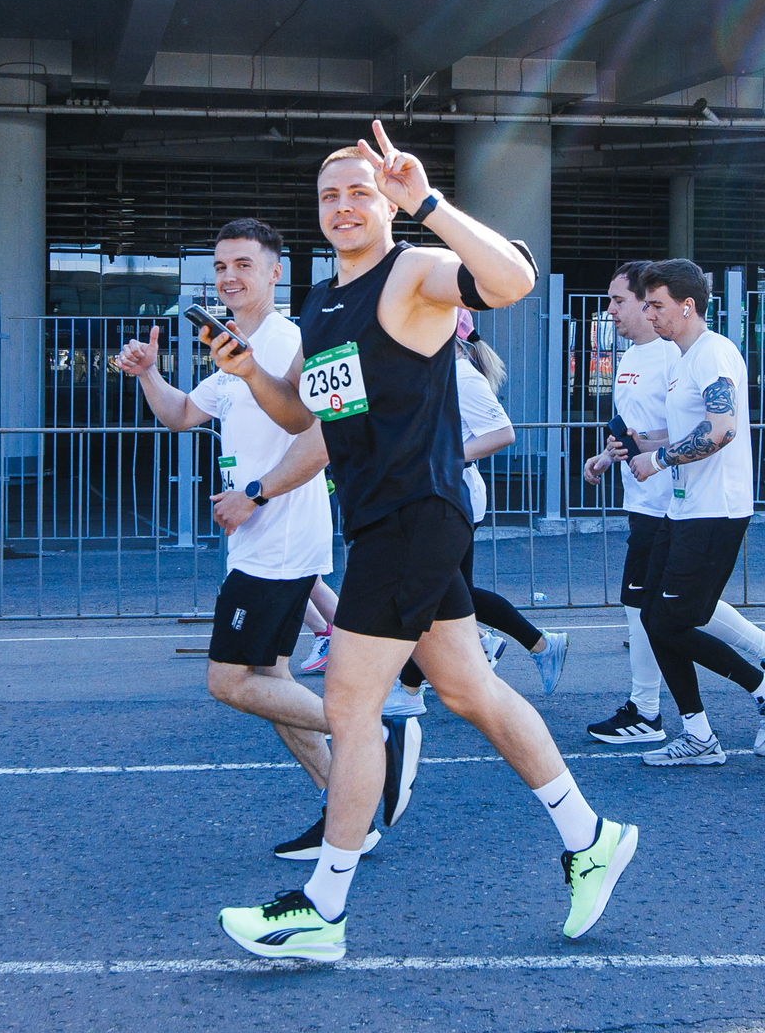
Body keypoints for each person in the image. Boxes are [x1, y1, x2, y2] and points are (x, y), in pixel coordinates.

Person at [213, 122, 637, 961]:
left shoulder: (412, 273)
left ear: (385, 202)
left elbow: (513, 280)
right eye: (329, 195)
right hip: (382, 518)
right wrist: (250, 372)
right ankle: (591, 838)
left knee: (349, 706)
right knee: (472, 692)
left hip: (415, 515)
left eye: (359, 192)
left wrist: (429, 202)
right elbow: (307, 417)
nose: (343, 206)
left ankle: (323, 909)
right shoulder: (321, 303)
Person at [113, 219, 356, 860]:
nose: (229, 277)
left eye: (244, 265)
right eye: (221, 267)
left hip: (280, 540)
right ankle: (348, 816)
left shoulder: (289, 341)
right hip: (257, 543)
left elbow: (317, 432)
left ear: (275, 273)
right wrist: (149, 374)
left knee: (228, 681)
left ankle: (370, 730)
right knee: (270, 682)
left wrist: (255, 494)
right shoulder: (229, 345)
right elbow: (181, 415)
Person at [583, 262, 765, 744]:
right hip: (683, 508)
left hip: (714, 510)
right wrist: (637, 446)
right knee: (654, 618)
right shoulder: (685, 358)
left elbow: (722, 429)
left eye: (656, 305)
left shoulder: (712, 352)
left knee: (669, 622)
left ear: (687, 306)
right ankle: (700, 731)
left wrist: (658, 460)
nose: (648, 314)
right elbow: (683, 430)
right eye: (645, 305)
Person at [384, 309, 570, 717]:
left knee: (429, 593)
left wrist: (441, 458)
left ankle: (410, 690)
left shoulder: (463, 376)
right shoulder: (439, 371)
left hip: (454, 499)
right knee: (451, 593)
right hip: (442, 497)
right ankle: (528, 644)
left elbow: (502, 434)